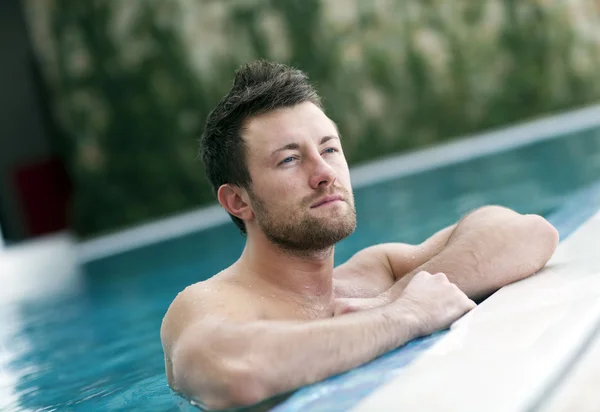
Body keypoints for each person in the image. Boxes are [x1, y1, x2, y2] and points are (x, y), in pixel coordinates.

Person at [160, 60, 559, 410]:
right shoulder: (208, 304)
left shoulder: (376, 275)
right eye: (289, 159)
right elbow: (238, 375)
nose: (324, 173)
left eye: (329, 149)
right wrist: (404, 315)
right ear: (238, 201)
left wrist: (388, 299)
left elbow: (528, 233)